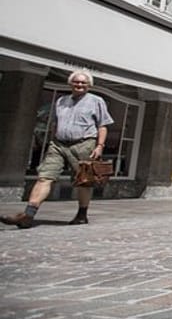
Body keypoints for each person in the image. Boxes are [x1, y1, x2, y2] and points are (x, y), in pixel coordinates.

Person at [1, 71, 113, 229]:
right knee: (45, 176)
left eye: (83, 83)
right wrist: (52, 140)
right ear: (70, 83)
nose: (79, 85)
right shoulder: (61, 101)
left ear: (89, 85)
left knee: (84, 182)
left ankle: (82, 215)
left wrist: (100, 146)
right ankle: (28, 215)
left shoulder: (96, 101)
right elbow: (55, 123)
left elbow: (103, 125)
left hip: (84, 144)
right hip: (58, 144)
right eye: (76, 82)